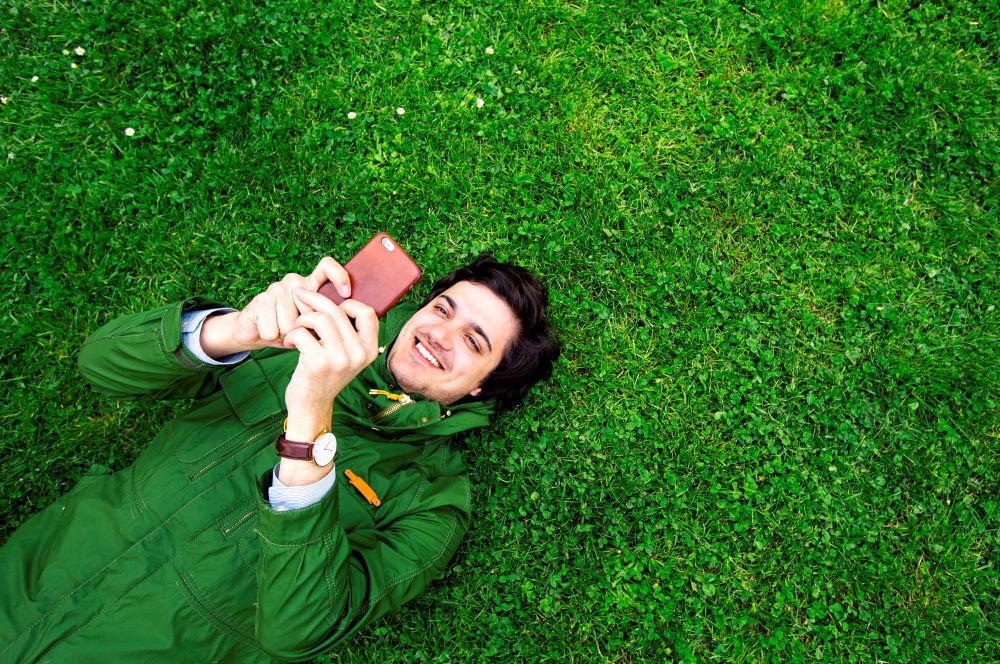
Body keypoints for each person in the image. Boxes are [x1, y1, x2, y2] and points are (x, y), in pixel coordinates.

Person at [0, 253, 559, 662]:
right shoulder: (299, 337)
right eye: (442, 308)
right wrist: (235, 330)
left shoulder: (433, 504)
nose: (439, 333)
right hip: (32, 578)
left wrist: (310, 422)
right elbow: (99, 365)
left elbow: (299, 631)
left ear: (483, 386)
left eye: (474, 341)